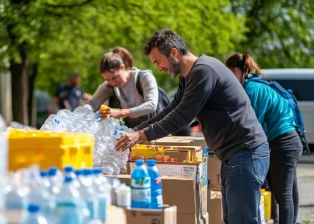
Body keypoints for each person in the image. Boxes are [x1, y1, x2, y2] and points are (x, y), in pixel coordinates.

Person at [115, 28, 269, 223]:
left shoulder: (204, 71)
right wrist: (136, 131)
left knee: (242, 220)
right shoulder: (188, 76)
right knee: (232, 219)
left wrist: (140, 136)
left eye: (158, 61)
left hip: (246, 153)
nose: (159, 68)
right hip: (234, 154)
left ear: (173, 52)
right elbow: (172, 109)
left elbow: (181, 117)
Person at [226, 53, 303, 224]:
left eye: (229, 74)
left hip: (283, 143)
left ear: (237, 71)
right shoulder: (256, 85)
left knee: (283, 194)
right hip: (286, 142)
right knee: (282, 190)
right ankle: (280, 220)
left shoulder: (252, 89)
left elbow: (253, 125)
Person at [84, 47, 190, 135]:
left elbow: (151, 105)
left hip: (157, 129)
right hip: (135, 132)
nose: (112, 82)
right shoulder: (109, 86)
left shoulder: (143, 77)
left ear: (122, 67)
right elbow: (92, 103)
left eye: (115, 77)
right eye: (107, 79)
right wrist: (81, 113)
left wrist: (120, 113)